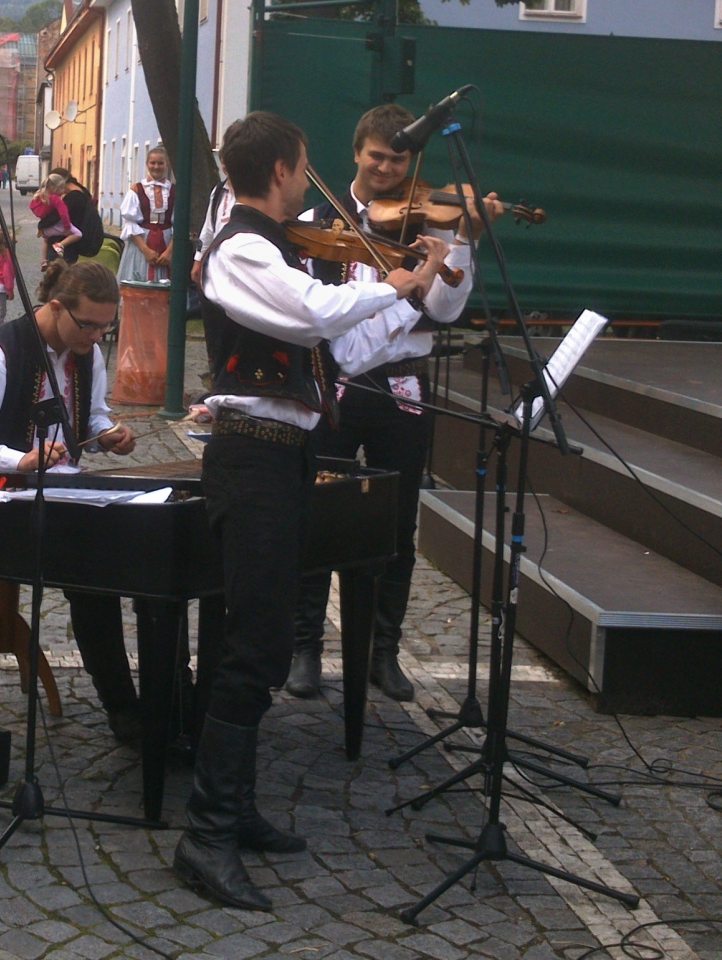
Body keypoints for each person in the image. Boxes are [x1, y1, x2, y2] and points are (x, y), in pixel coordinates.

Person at [174, 111, 450, 911]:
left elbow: (343, 350)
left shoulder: (281, 251)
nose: (307, 180)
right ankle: (206, 835)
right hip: (251, 457)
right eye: (302, 167)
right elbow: (314, 311)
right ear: (281, 170)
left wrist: (411, 295)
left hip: (287, 456)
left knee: (258, 642)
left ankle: (236, 809)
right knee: (254, 643)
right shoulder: (242, 249)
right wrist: (385, 284)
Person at [287, 104, 502, 704]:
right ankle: (305, 647)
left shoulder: (428, 224)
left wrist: (464, 241)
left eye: (398, 160)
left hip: (402, 383)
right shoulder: (315, 222)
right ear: (356, 152)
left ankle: (383, 650)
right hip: (333, 380)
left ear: (413, 162)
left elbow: (445, 309)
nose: (385, 169)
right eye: (376, 156)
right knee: (316, 508)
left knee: (398, 521)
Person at [0, 260, 144, 743]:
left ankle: (167, 698)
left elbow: (90, 416)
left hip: (64, 495)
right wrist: (19, 460)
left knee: (132, 544)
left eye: (105, 327)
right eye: (88, 325)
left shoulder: (86, 351)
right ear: (56, 307)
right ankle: (122, 706)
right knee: (93, 569)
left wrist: (105, 434)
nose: (96, 337)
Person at [118, 146, 174, 283]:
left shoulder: (174, 191)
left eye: (160, 163)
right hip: (141, 243)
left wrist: (169, 252)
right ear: (147, 164)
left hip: (168, 243)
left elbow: (181, 225)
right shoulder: (137, 190)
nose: (156, 167)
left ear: (167, 164)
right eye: (152, 163)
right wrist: (146, 250)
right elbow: (130, 223)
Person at [48, 167, 105, 262]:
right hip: (71, 244)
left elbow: (56, 217)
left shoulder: (74, 197)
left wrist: (42, 225)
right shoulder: (82, 192)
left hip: (66, 247)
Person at [30, 174, 82, 264]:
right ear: (54, 188)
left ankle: (44, 261)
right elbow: (64, 214)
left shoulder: (40, 197)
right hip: (58, 227)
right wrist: (67, 227)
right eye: (62, 188)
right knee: (78, 234)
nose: (64, 191)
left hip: (46, 230)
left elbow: (33, 207)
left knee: (46, 241)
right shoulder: (55, 199)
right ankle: (60, 245)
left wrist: (41, 227)